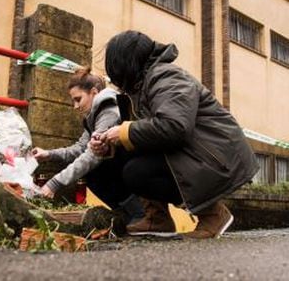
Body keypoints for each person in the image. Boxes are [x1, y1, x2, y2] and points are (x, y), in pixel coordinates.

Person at [90, 30, 259, 239]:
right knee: (106, 163)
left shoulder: (166, 76)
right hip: (195, 153)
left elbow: (175, 126)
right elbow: (148, 133)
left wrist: (125, 131)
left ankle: (213, 214)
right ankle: (157, 217)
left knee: (137, 171)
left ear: (128, 63)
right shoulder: (141, 86)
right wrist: (110, 145)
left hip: (216, 158)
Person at [32, 67, 144, 221]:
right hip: (129, 170)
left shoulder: (109, 112)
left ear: (94, 93)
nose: (75, 106)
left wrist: (54, 183)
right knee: (91, 169)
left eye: (78, 99)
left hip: (136, 169)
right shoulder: (94, 116)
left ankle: (138, 214)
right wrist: (49, 154)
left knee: (96, 167)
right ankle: (124, 214)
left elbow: (91, 155)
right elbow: (80, 148)